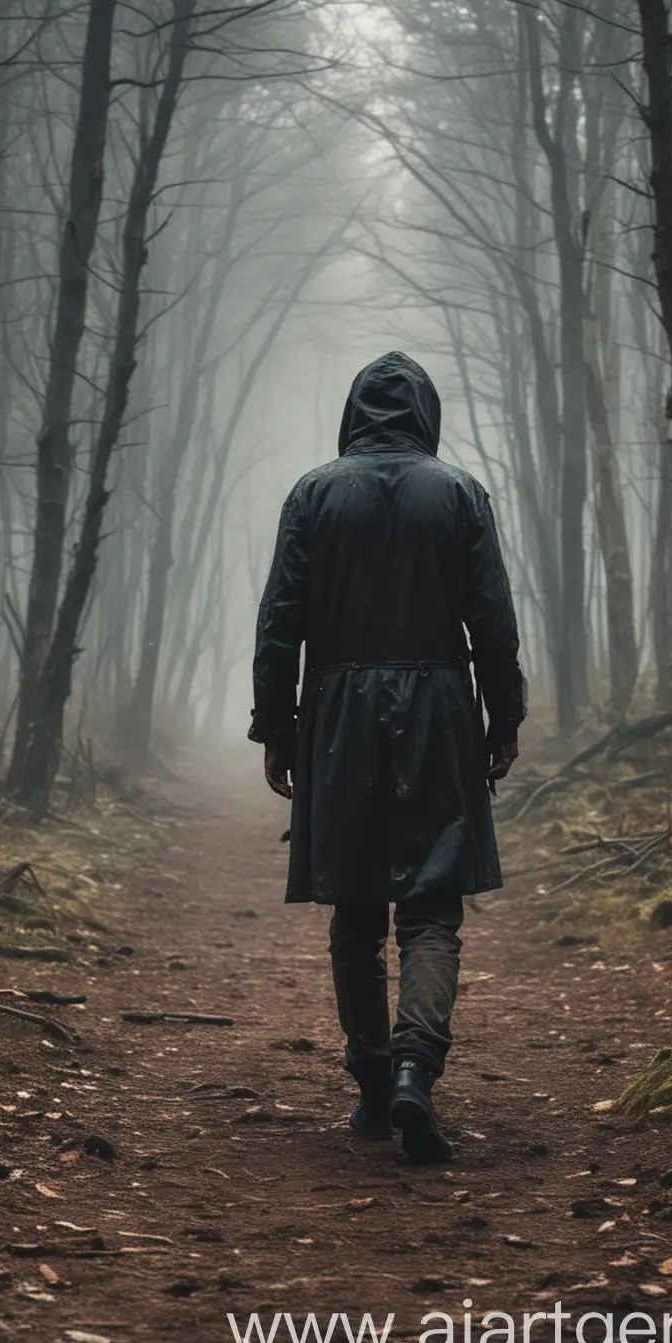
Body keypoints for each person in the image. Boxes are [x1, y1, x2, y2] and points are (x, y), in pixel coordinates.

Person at [249, 350, 526, 1162]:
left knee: (357, 910)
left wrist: (277, 727)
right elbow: (494, 624)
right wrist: (502, 719)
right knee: (433, 908)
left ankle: (375, 1078)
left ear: (354, 415)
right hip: (439, 711)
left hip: (338, 717)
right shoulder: (460, 494)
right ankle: (415, 1066)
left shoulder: (313, 492)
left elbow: (280, 624)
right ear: (424, 415)